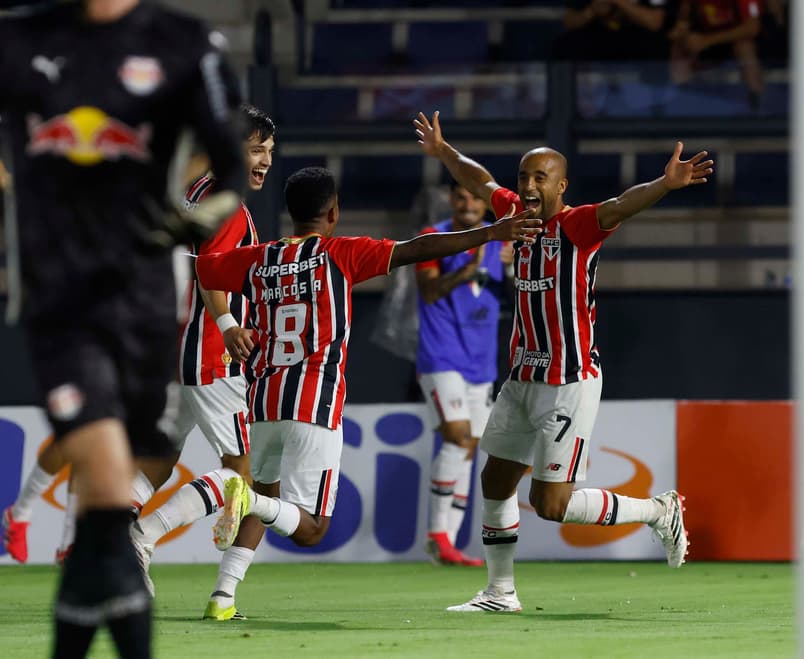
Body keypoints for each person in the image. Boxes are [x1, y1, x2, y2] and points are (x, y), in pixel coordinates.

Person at [0, 1, 246, 657]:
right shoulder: (18, 38)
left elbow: (232, 169)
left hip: (145, 305)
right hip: (61, 303)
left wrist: (188, 226)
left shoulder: (185, 44)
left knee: (106, 514)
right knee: (108, 487)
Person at [196, 166, 542, 620]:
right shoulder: (342, 253)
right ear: (334, 212)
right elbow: (419, 249)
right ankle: (247, 502)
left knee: (267, 495)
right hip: (313, 401)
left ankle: (222, 597)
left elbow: (203, 268)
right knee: (311, 527)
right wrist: (491, 233)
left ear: (288, 212)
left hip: (263, 400)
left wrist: (227, 324)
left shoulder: (258, 257)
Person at [413, 110, 713, 612]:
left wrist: (663, 183)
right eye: (524, 177)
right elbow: (480, 179)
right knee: (495, 479)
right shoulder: (515, 215)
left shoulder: (576, 225)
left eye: (540, 178)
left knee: (551, 505)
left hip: (567, 380)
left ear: (561, 185)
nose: (528, 185)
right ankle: (499, 593)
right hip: (522, 377)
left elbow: (621, 205)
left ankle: (658, 510)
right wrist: (444, 152)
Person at [127, 105, 275, 605]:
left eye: (270, 152)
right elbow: (213, 270)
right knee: (243, 475)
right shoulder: (227, 202)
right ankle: (143, 536)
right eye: (257, 150)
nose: (266, 161)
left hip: (175, 352)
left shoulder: (191, 194)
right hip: (212, 356)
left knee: (160, 460)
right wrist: (231, 324)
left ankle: (115, 529)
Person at [415, 182, 513, 567]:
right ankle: (438, 535)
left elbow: (515, 292)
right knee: (456, 438)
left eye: (475, 197)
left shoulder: (500, 242)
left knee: (471, 446)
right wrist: (467, 270)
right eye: (461, 196)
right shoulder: (433, 238)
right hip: (441, 356)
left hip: (482, 361)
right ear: (452, 200)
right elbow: (428, 293)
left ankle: (448, 545)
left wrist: (509, 265)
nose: (468, 203)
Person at [668, 0, 763, 107]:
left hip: (733, 39)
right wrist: (682, 33)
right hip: (705, 39)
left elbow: (753, 27)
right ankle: (682, 101)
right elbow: (683, 20)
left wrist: (708, 40)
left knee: (745, 46)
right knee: (680, 47)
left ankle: (755, 101)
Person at [553, 0, 674, 62]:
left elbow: (655, 22)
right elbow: (569, 22)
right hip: (597, 40)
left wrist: (619, 2)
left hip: (640, 43)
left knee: (657, 45)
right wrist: (591, 11)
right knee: (566, 44)